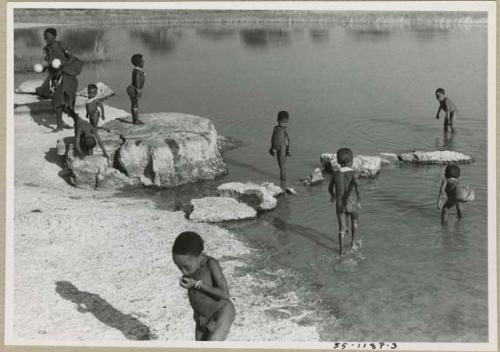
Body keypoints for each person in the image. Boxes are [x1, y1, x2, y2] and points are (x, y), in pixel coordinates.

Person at [172, 231, 235, 341]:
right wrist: (198, 316)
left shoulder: (211, 263)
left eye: (186, 267)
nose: (183, 271)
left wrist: (196, 284)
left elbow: (225, 294)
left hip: (222, 312)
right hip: (203, 317)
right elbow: (196, 297)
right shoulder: (191, 266)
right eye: (179, 267)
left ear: (200, 256)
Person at [36, 28, 81, 132]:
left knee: (68, 103)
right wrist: (43, 68)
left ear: (53, 35)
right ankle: (60, 125)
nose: (45, 38)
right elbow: (50, 64)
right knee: (57, 101)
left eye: (47, 35)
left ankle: (76, 122)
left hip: (66, 76)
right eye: (44, 36)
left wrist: (63, 65)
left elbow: (72, 58)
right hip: (55, 78)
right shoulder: (47, 49)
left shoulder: (61, 45)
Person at [328, 148, 360, 255]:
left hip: (340, 206)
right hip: (350, 204)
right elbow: (357, 186)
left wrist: (332, 195)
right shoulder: (353, 173)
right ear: (351, 161)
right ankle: (353, 242)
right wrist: (359, 199)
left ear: (338, 161)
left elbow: (330, 188)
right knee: (354, 221)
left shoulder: (335, 174)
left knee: (341, 229)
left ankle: (341, 251)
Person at [269, 111, 291, 185]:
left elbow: (287, 140)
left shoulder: (280, 129)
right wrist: (273, 147)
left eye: (286, 122)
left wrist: (288, 150)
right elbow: (275, 139)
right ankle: (283, 182)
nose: (284, 124)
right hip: (281, 148)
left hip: (282, 149)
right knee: (282, 166)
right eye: (282, 122)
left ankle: (283, 182)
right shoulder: (278, 129)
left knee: (282, 167)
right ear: (278, 121)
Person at [126, 54, 145, 125]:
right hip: (134, 89)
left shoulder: (138, 70)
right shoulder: (137, 71)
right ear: (139, 62)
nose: (144, 63)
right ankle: (135, 120)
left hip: (135, 89)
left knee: (135, 103)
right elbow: (136, 80)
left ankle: (135, 119)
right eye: (143, 61)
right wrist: (138, 90)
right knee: (134, 104)